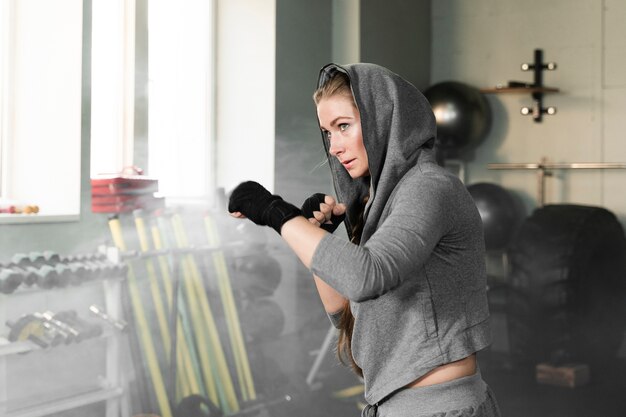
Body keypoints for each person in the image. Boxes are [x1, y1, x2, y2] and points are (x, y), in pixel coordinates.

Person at [228, 63, 501, 417]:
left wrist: (276, 212)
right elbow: (346, 316)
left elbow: (365, 277)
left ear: (383, 120)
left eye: (344, 126)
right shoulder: (378, 205)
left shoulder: (429, 188)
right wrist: (322, 235)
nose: (334, 147)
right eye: (328, 132)